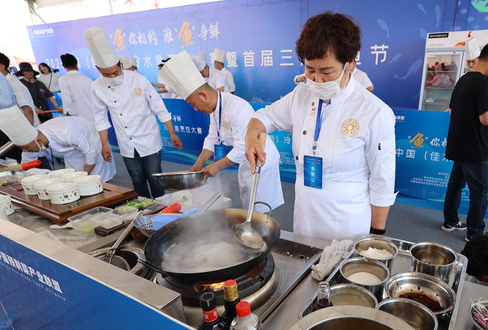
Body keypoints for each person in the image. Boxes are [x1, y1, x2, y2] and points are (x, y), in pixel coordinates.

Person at [245, 12, 396, 241]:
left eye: (327, 71)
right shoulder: (301, 95)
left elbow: (382, 180)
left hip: (347, 221)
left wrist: (377, 235)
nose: (317, 80)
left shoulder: (374, 111)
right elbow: (264, 117)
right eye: (309, 70)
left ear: (350, 63)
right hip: (305, 214)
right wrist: (252, 135)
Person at [160, 52, 284, 212]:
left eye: (193, 104)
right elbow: (212, 138)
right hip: (246, 159)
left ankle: (261, 229)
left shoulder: (236, 108)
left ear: (203, 95)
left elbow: (242, 147)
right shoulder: (216, 107)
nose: (195, 109)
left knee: (260, 205)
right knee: (249, 203)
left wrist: (216, 166)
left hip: (261, 158)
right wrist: (198, 164)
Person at [84, 26, 182, 198]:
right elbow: (100, 117)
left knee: (154, 177)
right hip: (126, 141)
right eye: (107, 74)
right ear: (99, 70)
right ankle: (143, 208)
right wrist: (104, 144)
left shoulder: (138, 79)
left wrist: (172, 132)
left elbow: (159, 107)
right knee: (136, 178)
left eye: (116, 72)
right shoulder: (96, 86)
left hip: (148, 137)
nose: (113, 77)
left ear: (121, 65)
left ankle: (162, 207)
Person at [441, 40, 488, 242]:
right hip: (475, 148)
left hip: (458, 144)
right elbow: (485, 118)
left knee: (455, 185)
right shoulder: (484, 82)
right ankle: (475, 232)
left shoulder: (463, 79)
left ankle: (450, 221)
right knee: (479, 192)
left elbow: (453, 110)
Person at [0, 106, 115, 181]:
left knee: (96, 179)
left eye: (26, 148)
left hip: (91, 140)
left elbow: (90, 152)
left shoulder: (65, 133)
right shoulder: (31, 144)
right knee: (74, 178)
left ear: (38, 141)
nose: (26, 151)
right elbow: (26, 164)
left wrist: (83, 176)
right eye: (22, 148)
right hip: (72, 152)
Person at [0, 49, 40, 128]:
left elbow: (28, 110)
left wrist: (28, 136)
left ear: (1, 66)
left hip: (24, 131)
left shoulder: (13, 84)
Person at [57, 53, 95, 124]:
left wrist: (65, 111)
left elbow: (67, 99)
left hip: (76, 117)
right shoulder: (88, 79)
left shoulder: (63, 80)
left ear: (63, 66)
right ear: (76, 64)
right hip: (92, 116)